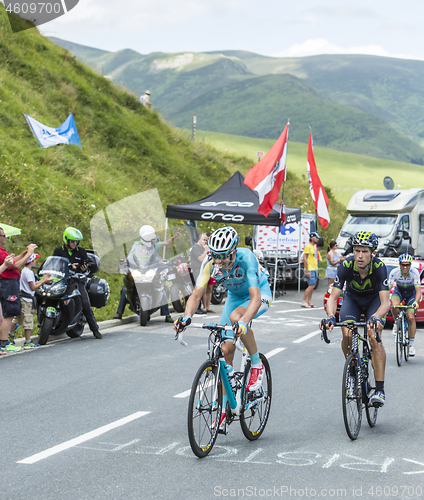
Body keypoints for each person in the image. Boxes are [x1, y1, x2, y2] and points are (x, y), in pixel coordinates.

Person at [174, 226, 272, 430]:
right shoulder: (210, 262)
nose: (218, 262)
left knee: (237, 318)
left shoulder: (246, 258)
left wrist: (244, 322)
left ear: (234, 252)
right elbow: (196, 294)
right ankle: (226, 408)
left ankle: (256, 364)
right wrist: (186, 317)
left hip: (258, 294)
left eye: (222, 257)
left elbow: (254, 298)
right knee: (225, 350)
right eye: (215, 256)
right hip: (235, 298)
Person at [323, 231, 390, 407]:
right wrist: (330, 316)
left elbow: (385, 303)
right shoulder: (346, 265)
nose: (360, 256)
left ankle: (380, 389)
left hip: (374, 301)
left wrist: (376, 317)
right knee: (347, 332)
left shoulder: (379, 267)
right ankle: (353, 371)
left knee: (374, 336)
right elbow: (333, 297)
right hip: (352, 300)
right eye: (357, 250)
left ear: (372, 253)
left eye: (364, 251)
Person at [113, 225, 180, 321]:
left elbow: (165, 245)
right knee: (125, 289)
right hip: (139, 269)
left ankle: (167, 315)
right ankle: (119, 313)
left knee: (161, 288)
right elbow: (131, 254)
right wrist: (126, 260)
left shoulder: (153, 245)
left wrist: (174, 237)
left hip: (150, 270)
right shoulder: (136, 244)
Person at [53, 227, 102, 339]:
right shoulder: (58, 251)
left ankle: (95, 329)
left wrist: (82, 269)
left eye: (76, 241)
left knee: (85, 303)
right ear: (66, 240)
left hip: (76, 281)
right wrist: (69, 266)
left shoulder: (81, 251)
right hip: (62, 280)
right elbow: (55, 264)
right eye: (72, 241)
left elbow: (84, 265)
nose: (75, 243)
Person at [0, 228, 38, 353]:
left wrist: (23, 253)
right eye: (3, 235)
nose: (6, 237)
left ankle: (4, 342)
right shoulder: (0, 253)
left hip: (9, 283)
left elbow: (13, 261)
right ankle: (4, 343)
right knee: (9, 314)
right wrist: (29, 254)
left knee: (8, 314)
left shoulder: (3, 251)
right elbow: (15, 266)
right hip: (8, 283)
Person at [9, 253, 53, 349]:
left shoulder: (25, 271)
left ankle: (10, 336)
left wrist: (43, 279)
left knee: (18, 318)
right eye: (34, 260)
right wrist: (44, 281)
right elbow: (33, 288)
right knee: (28, 320)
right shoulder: (28, 272)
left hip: (23, 298)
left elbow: (32, 284)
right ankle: (27, 342)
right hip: (26, 300)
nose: (35, 262)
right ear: (31, 261)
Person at [389, 253, 421, 356]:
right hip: (399, 292)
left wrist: (416, 301)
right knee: (394, 305)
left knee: (411, 317)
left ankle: (411, 345)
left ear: (410, 265)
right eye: (403, 265)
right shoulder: (394, 272)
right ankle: (396, 322)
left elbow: (418, 290)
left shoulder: (415, 273)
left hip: (411, 294)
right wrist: (384, 298)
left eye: (407, 265)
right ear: (399, 265)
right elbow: (388, 288)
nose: (405, 267)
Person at [189, 233, 214, 314]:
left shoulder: (202, 248)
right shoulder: (196, 248)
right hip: (197, 270)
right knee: (199, 289)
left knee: (204, 289)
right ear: (199, 239)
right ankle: (196, 308)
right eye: (204, 240)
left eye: (207, 240)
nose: (205, 242)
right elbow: (200, 259)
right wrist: (206, 250)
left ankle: (203, 307)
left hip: (203, 270)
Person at [301, 231, 322, 308]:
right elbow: (305, 258)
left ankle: (309, 301)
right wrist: (307, 270)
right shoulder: (308, 246)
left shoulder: (314, 247)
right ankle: (304, 301)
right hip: (310, 269)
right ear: (312, 238)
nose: (318, 239)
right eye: (316, 238)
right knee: (310, 285)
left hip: (315, 268)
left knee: (312, 286)